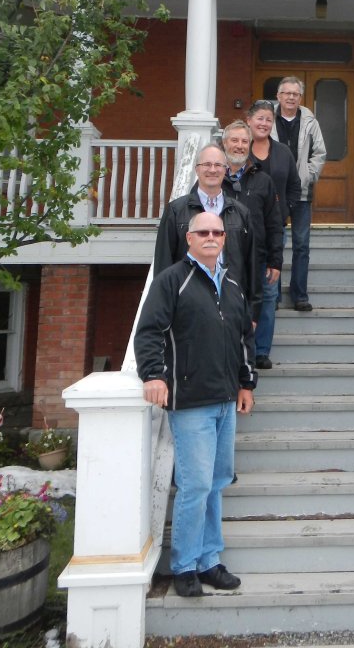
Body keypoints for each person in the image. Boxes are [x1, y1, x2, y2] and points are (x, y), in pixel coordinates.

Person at [135, 212, 257, 598]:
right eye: (202, 232)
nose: (210, 237)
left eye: (217, 232)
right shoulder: (172, 280)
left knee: (217, 483)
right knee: (195, 484)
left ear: (224, 238)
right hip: (189, 402)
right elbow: (149, 331)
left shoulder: (233, 283)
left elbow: (242, 340)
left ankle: (209, 560)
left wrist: (246, 383)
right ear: (188, 238)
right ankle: (184, 564)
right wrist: (153, 375)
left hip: (225, 401)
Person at [153, 143, 256, 314]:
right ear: (197, 169)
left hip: (231, 301)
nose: (212, 170)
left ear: (226, 170)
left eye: (218, 165)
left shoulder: (241, 213)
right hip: (187, 303)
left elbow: (251, 264)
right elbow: (164, 263)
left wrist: (252, 312)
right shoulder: (176, 211)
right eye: (207, 164)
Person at [221, 121, 284, 369]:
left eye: (244, 141)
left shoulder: (263, 181)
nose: (239, 146)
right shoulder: (214, 178)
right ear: (224, 143)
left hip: (258, 255)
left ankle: (259, 352)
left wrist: (275, 260)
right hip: (223, 257)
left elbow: (274, 223)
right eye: (234, 141)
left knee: (266, 300)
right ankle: (230, 350)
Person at [246, 100, 302, 366]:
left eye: (268, 119)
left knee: (268, 293)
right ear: (249, 120)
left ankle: (261, 351)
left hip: (273, 230)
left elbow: (294, 185)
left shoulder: (282, 152)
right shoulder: (239, 151)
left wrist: (285, 211)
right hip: (240, 233)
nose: (264, 123)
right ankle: (240, 347)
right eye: (259, 118)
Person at [271, 76, 327, 311]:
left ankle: (299, 295)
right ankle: (272, 296)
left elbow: (319, 153)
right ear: (278, 96)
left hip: (302, 193)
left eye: (295, 94)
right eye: (286, 93)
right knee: (274, 243)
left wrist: (306, 176)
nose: (291, 97)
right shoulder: (268, 118)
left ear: (300, 97)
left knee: (301, 245)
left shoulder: (310, 121)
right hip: (273, 195)